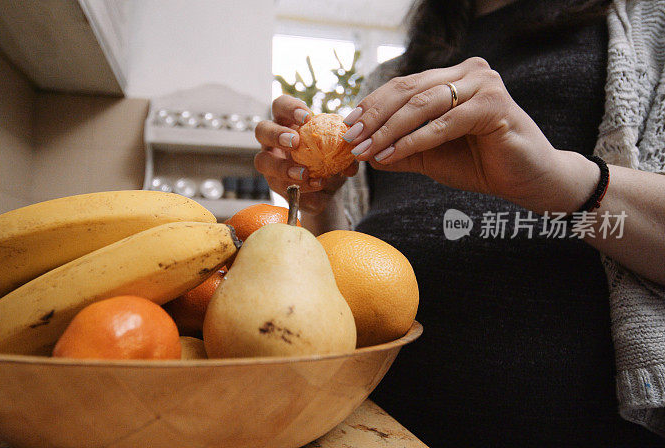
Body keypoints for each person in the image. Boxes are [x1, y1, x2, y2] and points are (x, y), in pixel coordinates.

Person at [254, 0, 665, 445]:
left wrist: (558, 177)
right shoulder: (394, 73)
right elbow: (346, 254)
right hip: (371, 422)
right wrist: (317, 200)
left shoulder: (647, 23)